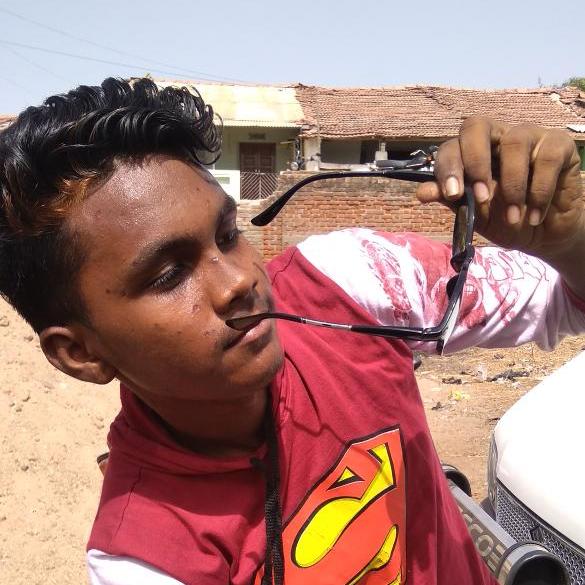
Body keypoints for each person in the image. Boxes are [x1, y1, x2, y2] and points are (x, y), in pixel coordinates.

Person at [0, 77, 584, 585]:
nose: (239, 281)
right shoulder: (145, 559)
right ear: (79, 354)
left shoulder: (348, 281)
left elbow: (564, 304)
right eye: (170, 274)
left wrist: (569, 238)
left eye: (228, 235)